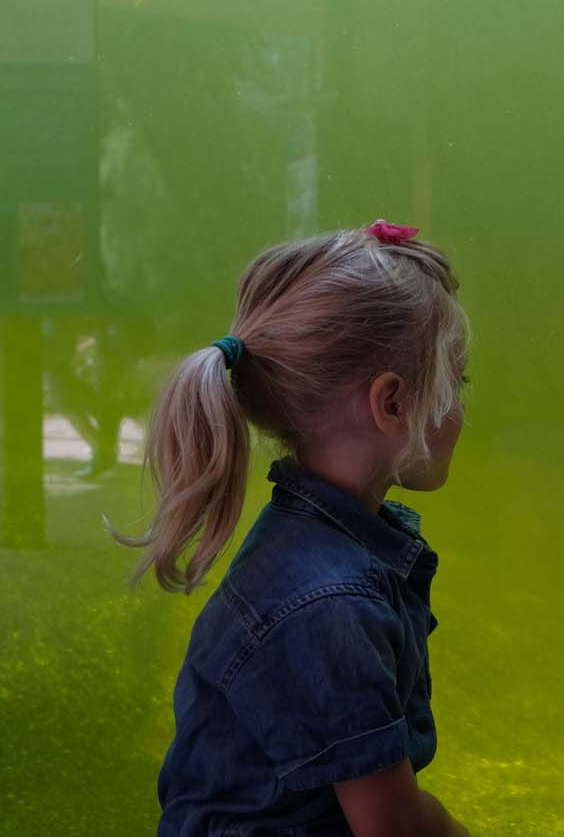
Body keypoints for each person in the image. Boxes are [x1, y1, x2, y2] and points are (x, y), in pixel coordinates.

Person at [111, 219, 472, 837]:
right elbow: (394, 826)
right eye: (456, 382)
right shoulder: (331, 603)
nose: (461, 408)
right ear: (391, 403)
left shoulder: (325, 551)